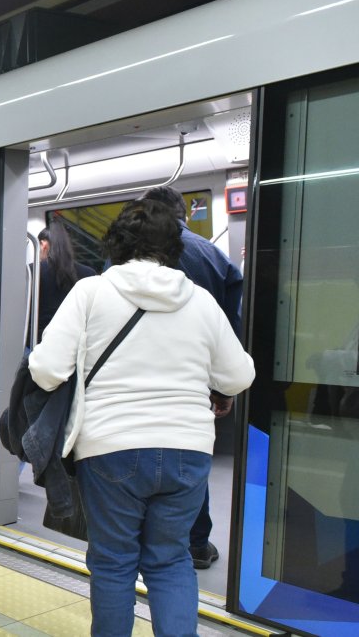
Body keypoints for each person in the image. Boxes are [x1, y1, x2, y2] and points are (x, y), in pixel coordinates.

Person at [28, 199, 254, 635]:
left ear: (115, 243)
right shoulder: (201, 300)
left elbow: (46, 369)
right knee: (170, 561)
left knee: (113, 565)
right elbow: (239, 375)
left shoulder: (91, 292)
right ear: (174, 247)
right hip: (187, 452)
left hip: (110, 449)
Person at [142, 185, 245, 569]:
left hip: (138, 383)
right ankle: (196, 544)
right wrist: (222, 387)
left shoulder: (126, 260)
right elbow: (231, 327)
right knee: (189, 457)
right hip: (195, 379)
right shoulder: (214, 256)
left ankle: (146, 543)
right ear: (183, 213)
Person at [37, 221, 96, 336]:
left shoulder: (33, 272)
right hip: (77, 341)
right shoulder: (89, 273)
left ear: (43, 245)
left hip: (39, 340)